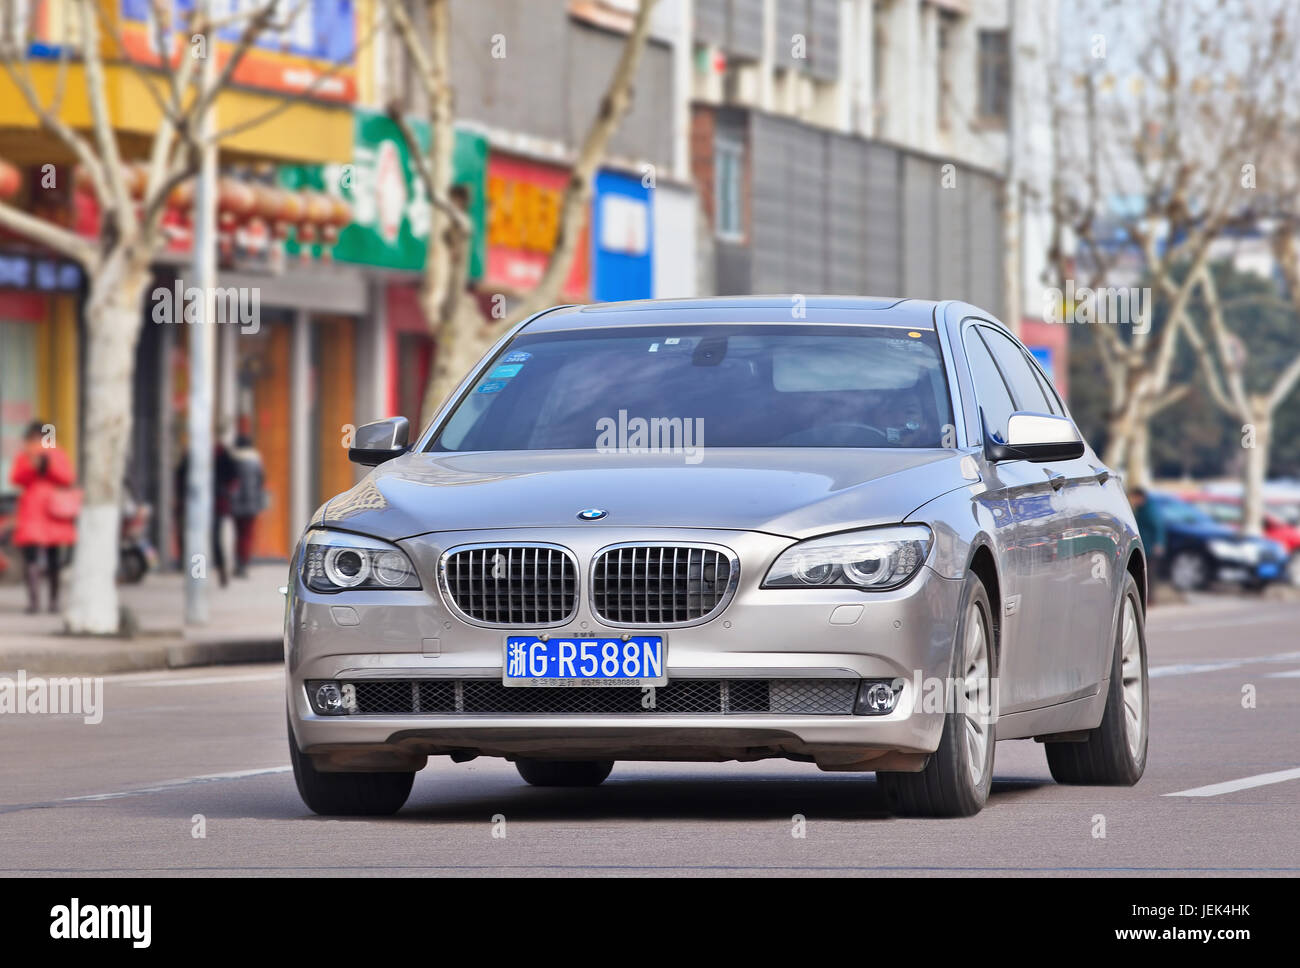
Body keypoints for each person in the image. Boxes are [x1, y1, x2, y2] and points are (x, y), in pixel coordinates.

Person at [9, 421, 77, 614]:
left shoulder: (43, 454)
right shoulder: (45, 454)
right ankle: (49, 602)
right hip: (46, 511)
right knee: (49, 558)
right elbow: (67, 478)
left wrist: (46, 467)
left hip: (45, 511)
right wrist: (38, 468)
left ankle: (36, 603)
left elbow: (16, 478)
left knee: (37, 558)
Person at [174, 442, 239, 587]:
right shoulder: (193, 454)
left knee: (214, 539)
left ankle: (221, 571)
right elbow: (181, 476)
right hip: (197, 505)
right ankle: (199, 575)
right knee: (199, 540)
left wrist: (226, 492)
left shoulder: (221, 454)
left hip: (216, 504)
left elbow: (233, 476)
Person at [228, 434, 267, 578]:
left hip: (236, 503)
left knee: (238, 534)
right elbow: (261, 481)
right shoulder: (255, 460)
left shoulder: (233, 460)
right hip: (251, 503)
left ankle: (238, 562)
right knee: (247, 535)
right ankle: (243, 563)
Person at [1130, 487, 1166, 603]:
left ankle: (1150, 599)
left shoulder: (1149, 510)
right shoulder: (1142, 509)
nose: (1133, 501)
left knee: (1150, 574)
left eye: (1134, 498)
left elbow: (1157, 527)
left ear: (1140, 497)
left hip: (1150, 548)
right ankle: (1146, 599)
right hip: (1144, 547)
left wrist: (1159, 543)